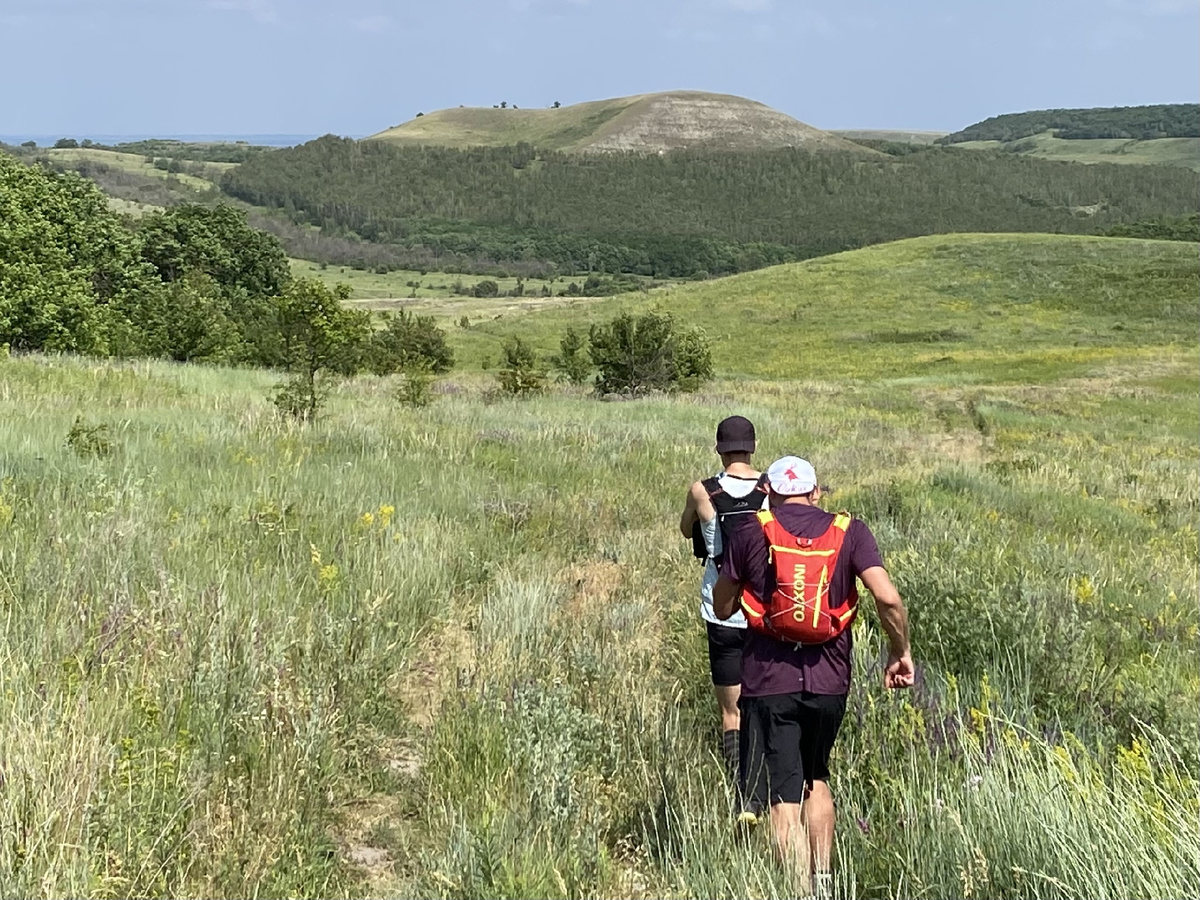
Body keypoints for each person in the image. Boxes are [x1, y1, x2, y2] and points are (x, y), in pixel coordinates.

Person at [712, 455, 913, 898]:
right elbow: (888, 598)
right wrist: (900, 652)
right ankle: (823, 884)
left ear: (768, 491)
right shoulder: (851, 533)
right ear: (816, 492)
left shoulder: (751, 531)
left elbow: (723, 605)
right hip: (829, 681)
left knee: (782, 798)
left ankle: (800, 893)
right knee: (816, 777)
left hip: (768, 680)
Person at [678, 415, 769, 788]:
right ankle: (766, 773)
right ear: (753, 447)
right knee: (763, 698)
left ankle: (739, 782)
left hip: (721, 609)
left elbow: (687, 530)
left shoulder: (703, 491)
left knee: (731, 711)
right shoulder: (771, 489)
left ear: (719, 449)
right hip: (763, 609)